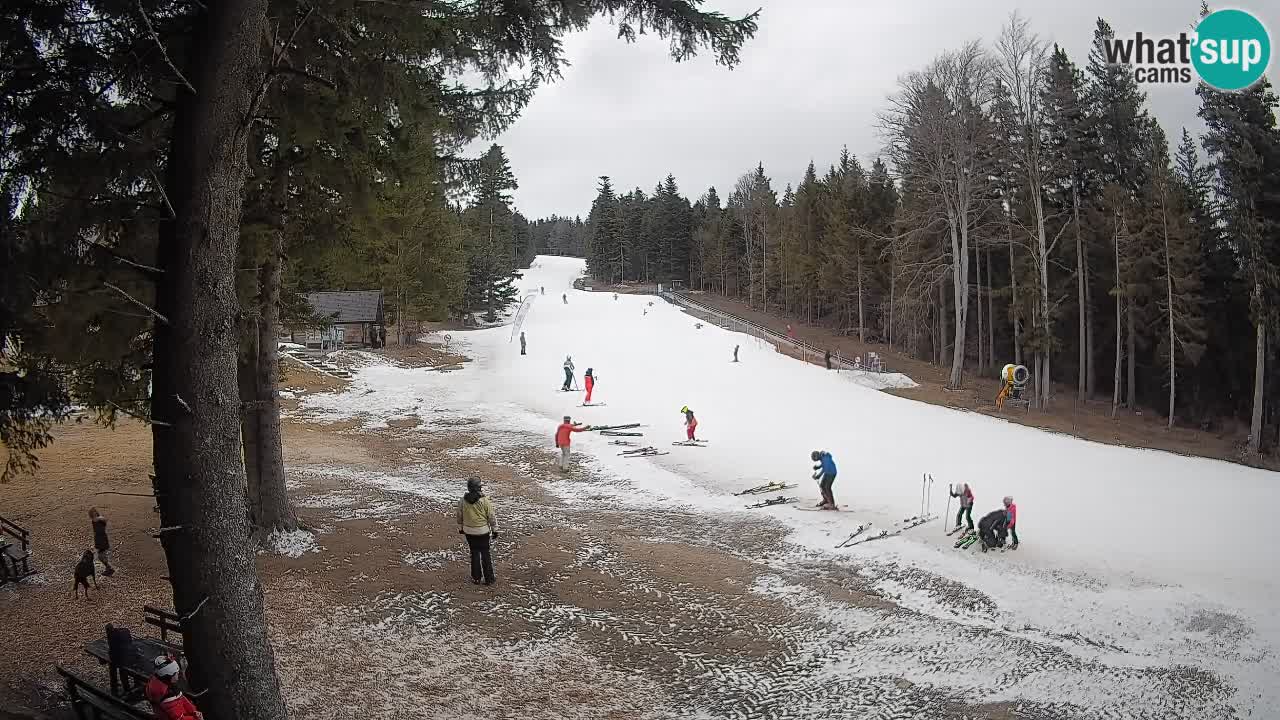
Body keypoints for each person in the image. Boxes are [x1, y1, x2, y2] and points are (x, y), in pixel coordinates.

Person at [457, 478, 498, 585]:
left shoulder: (462, 501)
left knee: (474, 553)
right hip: (482, 531)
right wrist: (494, 530)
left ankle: (476, 578)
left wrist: (461, 528)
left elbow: (459, 516)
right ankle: (489, 579)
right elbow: (491, 517)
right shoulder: (484, 501)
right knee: (485, 554)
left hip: (469, 531)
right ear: (478, 488)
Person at [146, 655, 203, 720]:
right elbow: (179, 718)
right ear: (168, 676)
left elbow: (181, 697)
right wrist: (196, 718)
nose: (178, 674)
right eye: (176, 673)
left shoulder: (160, 680)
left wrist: (193, 710)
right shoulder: (167, 696)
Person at [89, 507, 115, 576]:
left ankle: (109, 568)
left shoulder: (100, 519)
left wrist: (99, 518)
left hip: (102, 541)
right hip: (99, 541)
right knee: (102, 556)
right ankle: (109, 569)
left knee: (101, 556)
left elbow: (104, 520)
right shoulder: (94, 521)